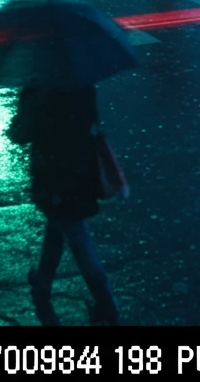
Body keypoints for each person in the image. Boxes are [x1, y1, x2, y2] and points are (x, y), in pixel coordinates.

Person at [12, 84, 119, 327]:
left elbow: (21, 133)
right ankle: (42, 284)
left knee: (77, 238)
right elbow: (91, 122)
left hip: (53, 177)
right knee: (58, 228)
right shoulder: (82, 83)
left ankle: (106, 302)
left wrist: (23, 114)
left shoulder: (38, 87)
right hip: (81, 171)